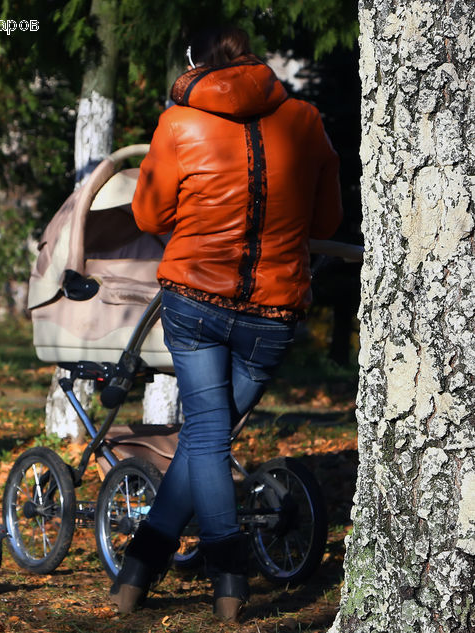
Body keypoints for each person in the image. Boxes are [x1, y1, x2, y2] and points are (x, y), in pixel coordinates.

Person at [108, 26, 343, 620]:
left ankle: (226, 578)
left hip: (195, 300)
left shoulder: (178, 124)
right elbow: (328, 216)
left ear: (195, 66)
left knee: (205, 439)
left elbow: (148, 212)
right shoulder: (307, 121)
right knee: (207, 440)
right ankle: (140, 572)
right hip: (273, 310)